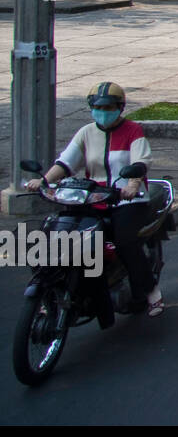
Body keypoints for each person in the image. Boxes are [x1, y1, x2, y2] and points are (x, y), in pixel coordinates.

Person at [26, 82, 164, 316]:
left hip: (126, 199)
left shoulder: (133, 131)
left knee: (124, 241)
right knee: (58, 233)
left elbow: (141, 162)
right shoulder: (86, 132)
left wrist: (131, 185)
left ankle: (151, 292)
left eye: (109, 106)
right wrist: (44, 182)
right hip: (90, 198)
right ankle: (54, 288)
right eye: (98, 106)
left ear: (120, 108)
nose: (103, 111)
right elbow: (65, 163)